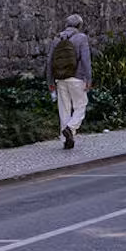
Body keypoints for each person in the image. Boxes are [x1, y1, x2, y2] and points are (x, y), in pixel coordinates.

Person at [45, 13, 93, 150]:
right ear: (79, 25)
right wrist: (88, 79)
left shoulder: (57, 39)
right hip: (77, 78)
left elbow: (49, 62)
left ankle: (66, 139)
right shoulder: (81, 38)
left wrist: (50, 81)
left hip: (60, 79)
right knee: (81, 105)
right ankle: (70, 128)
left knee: (64, 109)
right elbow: (85, 60)